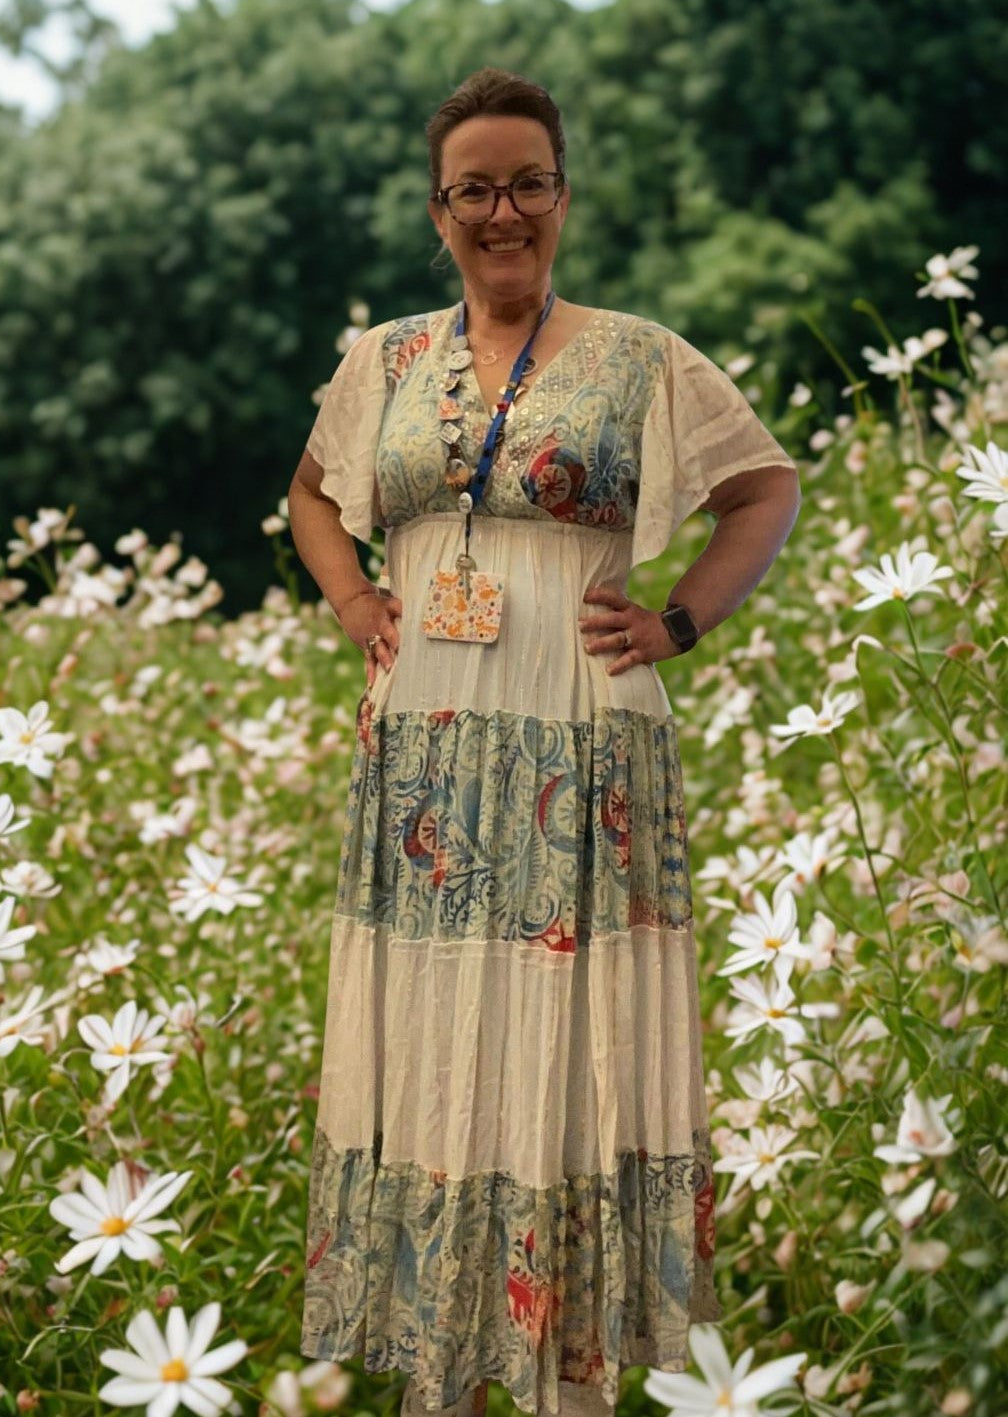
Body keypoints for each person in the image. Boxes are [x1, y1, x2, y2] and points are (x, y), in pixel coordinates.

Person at [287, 67, 800, 1417]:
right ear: (438, 210)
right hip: (424, 762)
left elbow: (764, 488)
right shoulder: (385, 361)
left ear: (561, 194)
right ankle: (441, 1384)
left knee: (573, 1061)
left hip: (585, 743)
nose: (503, 209)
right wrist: (355, 602)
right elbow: (312, 494)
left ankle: (571, 1394)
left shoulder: (642, 357)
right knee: (435, 1049)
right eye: (476, 188)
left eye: (529, 181)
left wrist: (681, 619)